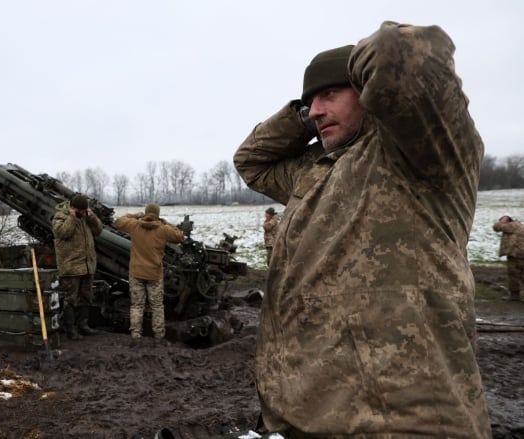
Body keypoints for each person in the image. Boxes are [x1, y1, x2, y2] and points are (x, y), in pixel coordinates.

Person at [233, 22, 491, 437]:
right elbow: (251, 161)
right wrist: (303, 117)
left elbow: (401, 52)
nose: (315, 111)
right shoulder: (313, 172)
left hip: (404, 422)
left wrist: (361, 79)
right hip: (306, 416)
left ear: (369, 93)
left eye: (330, 94)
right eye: (310, 104)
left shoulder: (418, 156)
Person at [114, 203, 184, 347]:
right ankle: (159, 338)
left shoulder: (134, 225)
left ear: (145, 213)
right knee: (157, 306)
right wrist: (165, 222)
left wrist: (134, 215)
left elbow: (118, 221)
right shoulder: (163, 229)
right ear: (157, 214)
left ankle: (136, 337)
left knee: (137, 306)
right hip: (154, 274)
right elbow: (179, 236)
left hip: (136, 272)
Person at [52, 194, 103, 340]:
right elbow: (63, 233)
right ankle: (70, 330)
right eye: (81, 210)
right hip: (71, 266)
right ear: (73, 208)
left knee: (86, 297)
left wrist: (91, 215)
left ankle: (83, 325)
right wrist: (72, 217)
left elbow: (98, 230)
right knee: (71, 299)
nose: (83, 212)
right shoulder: (60, 217)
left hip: (86, 265)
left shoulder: (85, 217)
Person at [493, 215, 524, 301]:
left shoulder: (511, 225)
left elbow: (496, 227)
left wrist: (502, 220)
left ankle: (514, 296)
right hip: (521, 253)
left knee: (514, 274)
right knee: (521, 274)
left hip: (515, 254)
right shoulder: (519, 225)